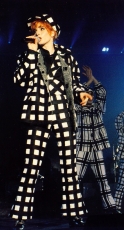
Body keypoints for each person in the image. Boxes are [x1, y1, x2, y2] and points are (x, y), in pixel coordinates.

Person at [10, 14, 92, 229]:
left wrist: (82, 94)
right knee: (31, 166)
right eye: (35, 29)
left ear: (52, 32)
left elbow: (74, 83)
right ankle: (20, 216)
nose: (37, 32)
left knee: (69, 167)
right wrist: (30, 54)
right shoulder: (28, 53)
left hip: (62, 114)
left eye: (42, 29)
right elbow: (18, 80)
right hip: (37, 115)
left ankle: (74, 213)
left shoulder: (66, 54)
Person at [75, 65, 120, 214]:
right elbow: (72, 94)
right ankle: (72, 208)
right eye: (85, 94)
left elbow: (103, 92)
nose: (88, 96)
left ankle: (110, 205)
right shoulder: (77, 109)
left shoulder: (97, 108)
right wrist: (86, 84)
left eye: (90, 94)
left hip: (96, 146)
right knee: (75, 178)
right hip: (81, 146)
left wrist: (92, 79)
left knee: (102, 178)